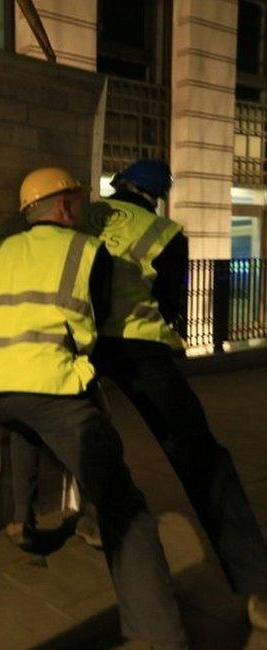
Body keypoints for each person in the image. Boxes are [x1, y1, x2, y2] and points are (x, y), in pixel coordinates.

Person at [0, 167, 188, 648]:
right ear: (64, 206)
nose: (84, 212)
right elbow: (93, 323)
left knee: (24, 424)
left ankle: (23, 521)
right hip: (46, 384)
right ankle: (161, 634)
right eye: (79, 203)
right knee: (126, 506)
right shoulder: (87, 250)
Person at [78, 159, 267, 630]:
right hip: (143, 353)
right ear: (155, 195)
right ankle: (258, 584)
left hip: (83, 344)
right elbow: (168, 304)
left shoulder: (87, 216)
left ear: (119, 184)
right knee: (203, 460)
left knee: (85, 432)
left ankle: (95, 517)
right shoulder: (165, 232)